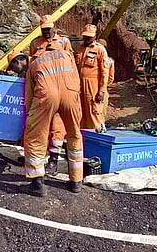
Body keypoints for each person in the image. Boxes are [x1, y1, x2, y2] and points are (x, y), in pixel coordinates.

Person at [23, 46, 83, 197]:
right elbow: (76, 79)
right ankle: (76, 181)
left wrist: (31, 116)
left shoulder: (35, 62)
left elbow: (29, 95)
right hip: (70, 92)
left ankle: (37, 183)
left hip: (46, 94)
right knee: (74, 134)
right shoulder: (67, 55)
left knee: (36, 136)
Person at [74, 24, 109, 132]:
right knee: (80, 111)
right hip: (79, 85)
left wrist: (102, 90)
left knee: (94, 110)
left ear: (94, 36)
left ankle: (98, 132)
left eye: (89, 37)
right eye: (85, 36)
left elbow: (105, 72)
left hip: (93, 86)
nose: (87, 39)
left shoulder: (100, 50)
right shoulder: (78, 49)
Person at [98, 39, 115, 131]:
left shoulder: (95, 58)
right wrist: (104, 85)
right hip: (103, 89)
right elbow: (111, 77)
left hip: (93, 87)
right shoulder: (110, 61)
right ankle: (101, 125)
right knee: (102, 109)